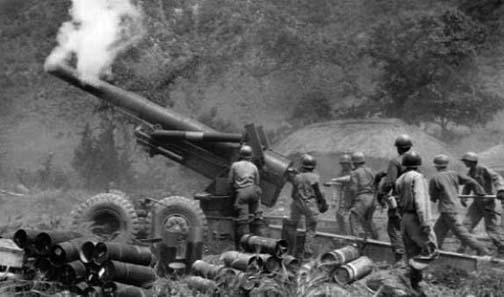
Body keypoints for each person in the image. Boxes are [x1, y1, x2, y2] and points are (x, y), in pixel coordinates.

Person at [395, 151, 438, 295]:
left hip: (405, 218)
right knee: (431, 249)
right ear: (418, 164)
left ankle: (415, 286)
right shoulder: (417, 177)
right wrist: (425, 222)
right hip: (416, 218)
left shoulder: (400, 179)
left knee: (412, 251)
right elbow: (421, 201)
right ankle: (410, 273)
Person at [429, 154, 489, 255]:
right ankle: (434, 248)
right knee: (438, 230)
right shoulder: (454, 174)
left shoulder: (435, 178)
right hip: (451, 207)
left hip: (446, 208)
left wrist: (433, 198)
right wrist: (479, 191)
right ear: (446, 165)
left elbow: (433, 197)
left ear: (436, 166)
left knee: (459, 231)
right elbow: (471, 181)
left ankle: (480, 248)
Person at [459, 151, 504, 255]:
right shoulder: (470, 173)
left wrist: (501, 190)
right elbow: (468, 185)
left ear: (471, 161)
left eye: (466, 161)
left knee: (491, 228)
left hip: (488, 203)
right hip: (476, 203)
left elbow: (496, 177)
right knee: (466, 225)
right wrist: (464, 197)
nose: (464, 163)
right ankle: (463, 246)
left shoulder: (483, 169)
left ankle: (502, 247)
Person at [284, 154, 327, 259]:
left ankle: (290, 248)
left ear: (302, 166)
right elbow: (318, 193)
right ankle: (307, 251)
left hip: (298, 204)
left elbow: (293, 195)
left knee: (292, 224)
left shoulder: (297, 178)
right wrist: (323, 204)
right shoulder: (315, 177)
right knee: (311, 229)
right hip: (310, 206)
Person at [377, 134, 412, 262]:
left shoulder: (395, 161)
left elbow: (389, 182)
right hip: (412, 200)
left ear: (398, 148)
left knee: (393, 228)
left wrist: (380, 194)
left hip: (398, 200)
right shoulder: (414, 161)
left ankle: (399, 259)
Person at [228, 145, 261, 249]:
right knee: (255, 218)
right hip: (254, 191)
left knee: (242, 221)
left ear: (240, 155)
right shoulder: (254, 167)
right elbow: (257, 182)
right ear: (250, 156)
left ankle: (240, 247)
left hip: (242, 193)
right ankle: (256, 244)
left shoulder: (235, 165)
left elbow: (230, 181)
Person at [347, 152, 377, 238]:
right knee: (368, 221)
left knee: (353, 218)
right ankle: (376, 241)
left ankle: (354, 241)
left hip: (362, 198)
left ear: (354, 162)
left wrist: (351, 202)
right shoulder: (370, 171)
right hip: (372, 198)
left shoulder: (355, 173)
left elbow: (353, 189)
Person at [334, 154, 353, 234]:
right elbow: (336, 188)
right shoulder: (340, 173)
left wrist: (337, 180)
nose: (343, 166)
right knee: (339, 215)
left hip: (353, 197)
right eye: (342, 164)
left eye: (344, 164)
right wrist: (334, 199)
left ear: (349, 164)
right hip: (344, 197)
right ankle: (343, 233)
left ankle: (352, 235)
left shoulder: (353, 172)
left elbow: (349, 179)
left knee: (350, 218)